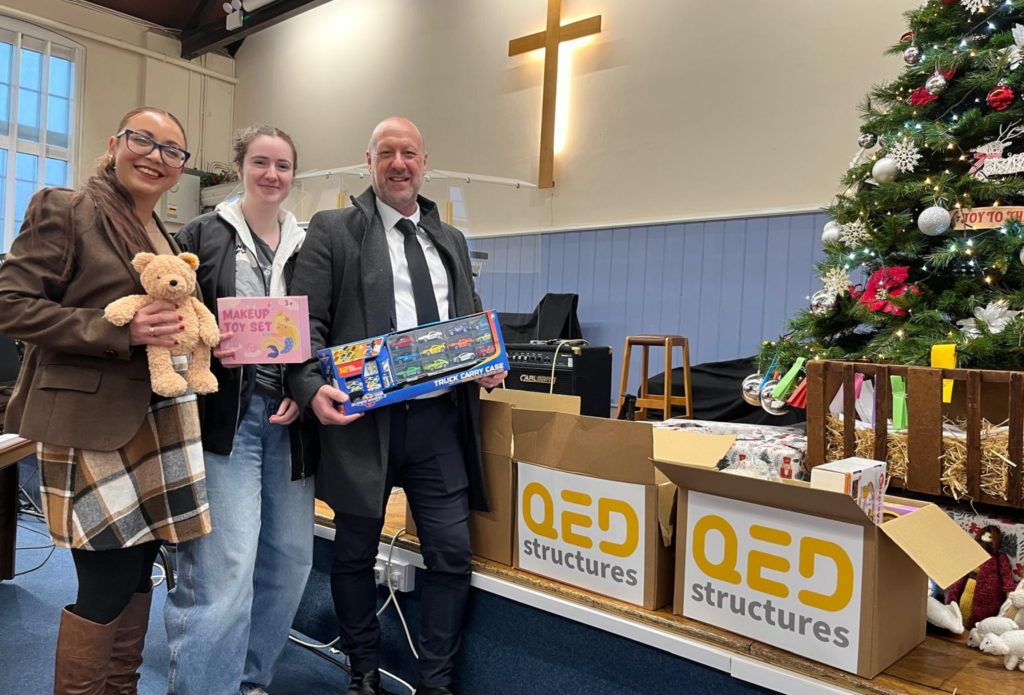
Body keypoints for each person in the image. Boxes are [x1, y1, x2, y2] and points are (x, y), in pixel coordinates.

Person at [287, 117, 506, 695]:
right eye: (387, 153)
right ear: (369, 160)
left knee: (452, 557)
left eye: (409, 153)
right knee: (354, 554)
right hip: (363, 422)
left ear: (425, 162)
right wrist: (310, 388)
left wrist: (487, 359)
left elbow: (469, 318)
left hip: (438, 424)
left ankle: (436, 683)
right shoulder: (334, 230)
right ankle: (362, 669)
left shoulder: (450, 239)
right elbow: (304, 321)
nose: (399, 163)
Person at [0, 107, 210, 693]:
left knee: (141, 573)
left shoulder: (164, 234)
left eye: (173, 150)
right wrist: (120, 331)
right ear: (116, 143)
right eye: (144, 140)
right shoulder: (64, 208)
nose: (157, 156)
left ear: (179, 170)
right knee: (108, 582)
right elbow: (10, 305)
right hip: (92, 423)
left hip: (159, 419)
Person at [164, 125, 318, 695]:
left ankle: (251, 682)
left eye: (282, 165)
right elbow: (174, 315)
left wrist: (303, 387)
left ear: (294, 175)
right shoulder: (203, 233)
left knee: (290, 563)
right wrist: (206, 345)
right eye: (260, 162)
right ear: (240, 168)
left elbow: (323, 328)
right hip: (225, 421)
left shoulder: (311, 245)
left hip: (291, 422)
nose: (271, 174)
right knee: (224, 573)